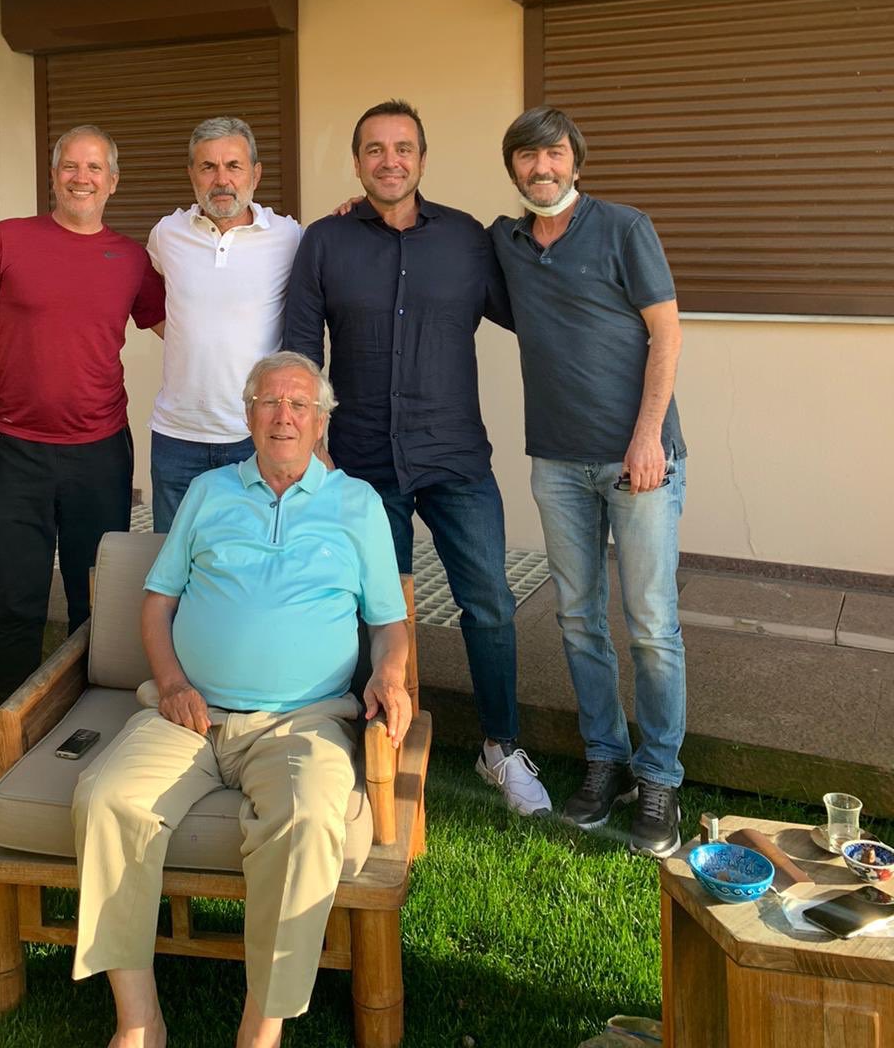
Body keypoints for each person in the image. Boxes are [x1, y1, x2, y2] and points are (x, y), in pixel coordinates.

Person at [71, 351, 410, 1048]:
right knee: (108, 797)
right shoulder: (209, 492)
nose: (284, 416)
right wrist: (172, 684)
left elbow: (388, 621)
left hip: (304, 723)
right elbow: (157, 602)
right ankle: (138, 1021)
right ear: (249, 416)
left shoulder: (357, 505)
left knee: (308, 820)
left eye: (299, 405)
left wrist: (391, 674)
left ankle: (261, 1029)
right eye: (269, 403)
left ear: (320, 422)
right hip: (190, 714)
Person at [283, 99, 551, 817]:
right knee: (373, 607)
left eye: (403, 148)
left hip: (455, 456)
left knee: (489, 602)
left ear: (423, 160)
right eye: (375, 149)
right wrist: (312, 441)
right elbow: (301, 351)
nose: (390, 160)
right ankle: (373, 737)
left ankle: (500, 747)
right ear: (357, 162)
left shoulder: (467, 239)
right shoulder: (325, 242)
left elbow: (534, 304)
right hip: (363, 461)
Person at [0, 124, 165, 804]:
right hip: (16, 453)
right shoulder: (8, 239)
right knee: (15, 600)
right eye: (71, 165)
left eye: (95, 167)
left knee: (91, 601)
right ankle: (5, 743)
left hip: (99, 455)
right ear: (53, 175)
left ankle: (82, 736)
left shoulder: (131, 260)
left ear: (113, 181)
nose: (82, 177)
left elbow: (185, 329)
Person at [490, 106, 686, 857]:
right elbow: (429, 237)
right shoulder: (505, 243)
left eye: (554, 155)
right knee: (578, 618)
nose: (541, 168)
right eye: (527, 157)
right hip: (557, 462)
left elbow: (666, 332)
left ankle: (659, 775)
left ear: (575, 160)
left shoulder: (625, 227)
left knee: (651, 624)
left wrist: (647, 437)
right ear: (513, 167)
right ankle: (606, 759)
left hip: (639, 458)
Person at [146, 116, 302, 532]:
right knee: (174, 559)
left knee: (252, 559)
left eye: (234, 166)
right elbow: (156, 304)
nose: (222, 180)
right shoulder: (166, 234)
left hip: (255, 436)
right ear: (191, 174)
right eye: (208, 167)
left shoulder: (290, 237)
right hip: (177, 436)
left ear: (256, 173)